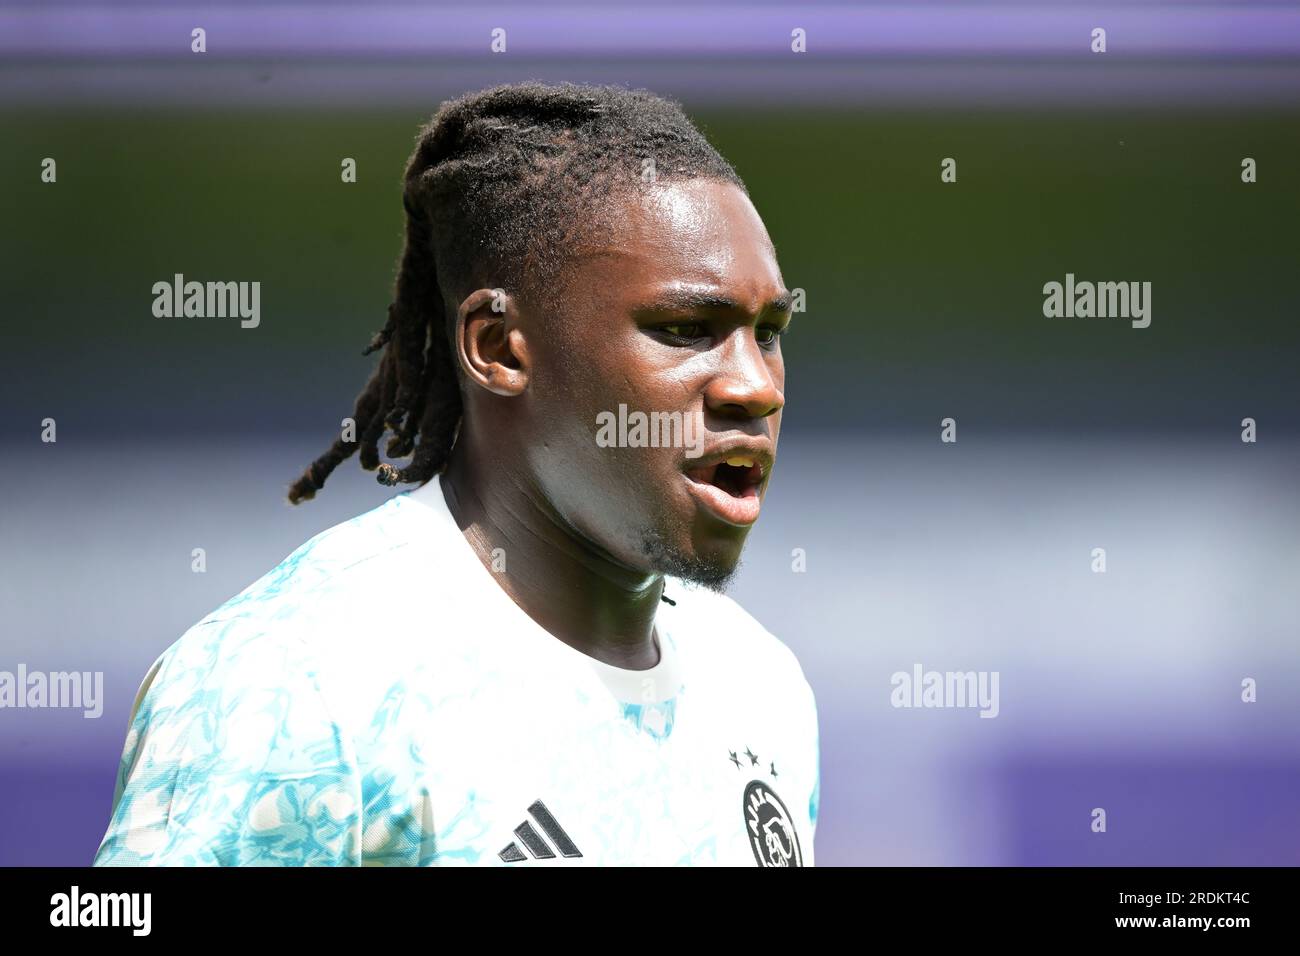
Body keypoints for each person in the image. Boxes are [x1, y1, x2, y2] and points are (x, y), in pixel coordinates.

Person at [93, 81, 818, 866]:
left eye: (768, 332)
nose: (755, 385)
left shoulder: (760, 687)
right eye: (685, 329)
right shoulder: (293, 685)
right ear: (500, 347)